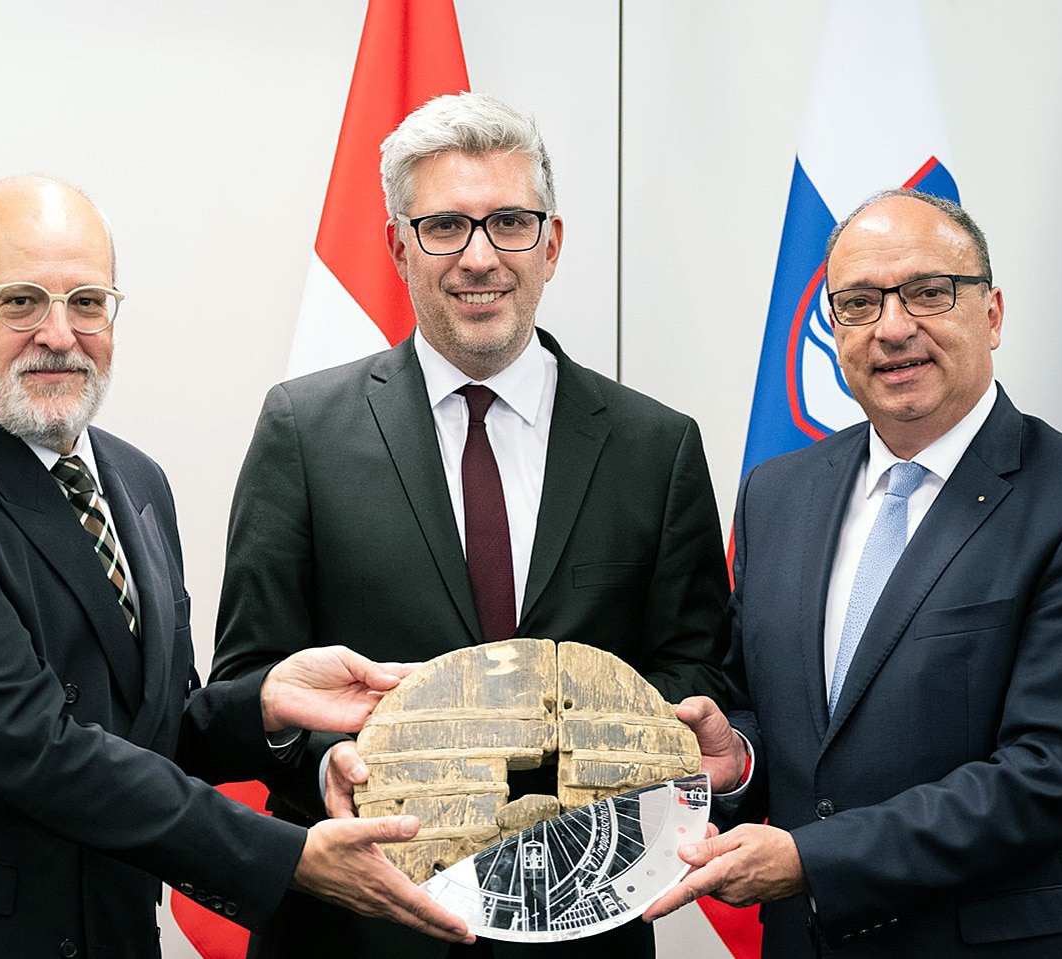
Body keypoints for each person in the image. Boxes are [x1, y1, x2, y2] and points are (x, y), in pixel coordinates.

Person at [0, 175, 470, 958]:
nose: (58, 332)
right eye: (21, 301)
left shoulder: (135, 481)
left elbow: (152, 729)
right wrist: (286, 858)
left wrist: (268, 704)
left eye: (86, 301)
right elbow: (37, 745)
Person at [210, 93, 730, 958]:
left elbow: (699, 665)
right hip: (359, 927)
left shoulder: (657, 446)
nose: (480, 257)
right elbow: (254, 680)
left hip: (582, 923)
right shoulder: (304, 430)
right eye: (445, 226)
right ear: (398, 247)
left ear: (552, 244)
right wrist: (320, 765)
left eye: (510, 224)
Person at [641, 190, 1062, 958]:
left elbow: (1056, 775)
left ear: (991, 313)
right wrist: (740, 760)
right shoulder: (777, 493)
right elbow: (772, 712)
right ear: (833, 330)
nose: (893, 328)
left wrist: (812, 859)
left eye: (928, 292)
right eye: (858, 303)